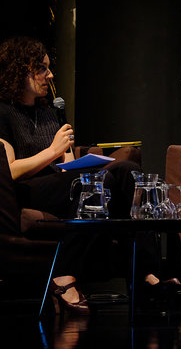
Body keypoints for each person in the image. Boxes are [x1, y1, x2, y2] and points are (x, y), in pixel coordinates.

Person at [0, 36, 168, 315]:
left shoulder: (48, 113)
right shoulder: (4, 113)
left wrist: (78, 163)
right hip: (27, 189)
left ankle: (144, 271)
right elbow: (9, 170)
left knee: (127, 172)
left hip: (63, 183)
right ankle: (63, 274)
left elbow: (68, 164)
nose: (50, 75)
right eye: (42, 68)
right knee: (92, 184)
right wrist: (53, 151)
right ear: (21, 70)